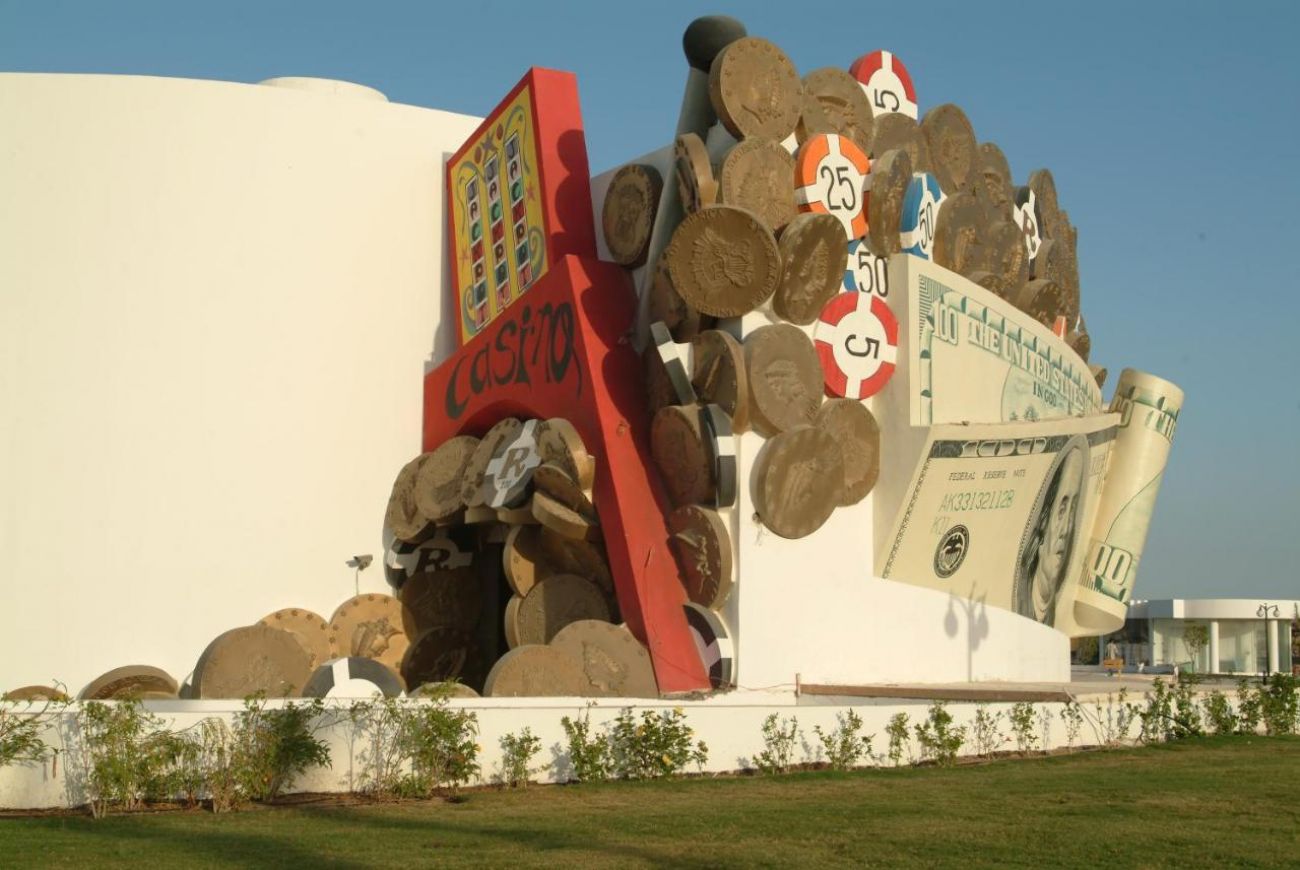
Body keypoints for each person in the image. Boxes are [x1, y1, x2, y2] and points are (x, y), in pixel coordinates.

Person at [1013, 438, 1086, 626]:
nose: (1066, 529)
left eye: (1072, 510)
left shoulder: (1051, 612)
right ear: (1044, 520)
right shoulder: (1019, 596)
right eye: (1061, 510)